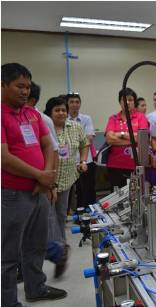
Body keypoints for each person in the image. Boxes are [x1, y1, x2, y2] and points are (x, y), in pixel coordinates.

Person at [1, 63, 67, 306]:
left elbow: (48, 146)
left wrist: (47, 178)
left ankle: (35, 287)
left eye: (28, 87)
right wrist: (40, 176)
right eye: (19, 86)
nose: (25, 91)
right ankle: (8, 300)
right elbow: (4, 158)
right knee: (9, 254)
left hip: (39, 191)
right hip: (12, 194)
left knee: (36, 245)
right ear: (3, 85)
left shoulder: (33, 115)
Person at [44, 97, 89, 256]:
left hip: (67, 179)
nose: (61, 113)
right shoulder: (43, 127)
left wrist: (83, 160)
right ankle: (53, 249)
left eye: (63, 110)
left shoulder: (75, 127)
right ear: (50, 112)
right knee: (48, 218)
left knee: (61, 215)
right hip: (47, 180)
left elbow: (85, 144)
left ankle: (60, 248)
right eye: (57, 110)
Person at [105, 88, 149, 190]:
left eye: (130, 100)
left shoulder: (141, 117)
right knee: (117, 196)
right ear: (120, 102)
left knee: (136, 196)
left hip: (136, 164)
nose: (127, 102)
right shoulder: (113, 118)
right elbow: (109, 139)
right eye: (124, 100)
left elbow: (142, 138)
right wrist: (132, 138)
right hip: (115, 164)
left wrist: (120, 134)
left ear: (134, 102)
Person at [67, 92, 97, 208]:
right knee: (68, 192)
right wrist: (80, 139)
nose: (75, 104)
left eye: (77, 102)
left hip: (85, 161)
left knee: (86, 192)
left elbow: (89, 138)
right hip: (69, 162)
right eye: (72, 102)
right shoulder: (63, 119)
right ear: (67, 104)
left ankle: (86, 216)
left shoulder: (86, 118)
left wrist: (71, 141)